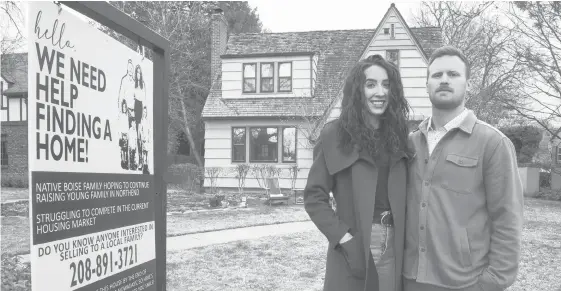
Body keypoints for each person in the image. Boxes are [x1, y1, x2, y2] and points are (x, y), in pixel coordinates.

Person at [403, 46, 524, 291]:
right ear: (427, 85)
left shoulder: (493, 143)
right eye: (436, 75)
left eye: (453, 74)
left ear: (468, 84)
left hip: (465, 283)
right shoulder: (410, 143)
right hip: (410, 279)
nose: (444, 80)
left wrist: (492, 282)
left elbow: (508, 218)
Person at [304, 54, 413, 291]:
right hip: (355, 242)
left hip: (396, 241)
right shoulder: (335, 135)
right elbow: (314, 197)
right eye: (371, 84)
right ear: (357, 90)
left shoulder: (401, 137)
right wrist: (344, 238)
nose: (380, 92)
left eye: (386, 85)